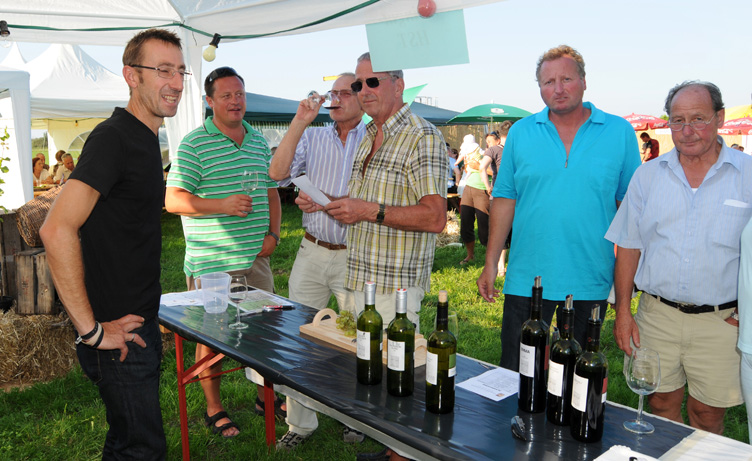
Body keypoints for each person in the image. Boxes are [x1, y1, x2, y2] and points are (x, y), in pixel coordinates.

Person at [39, 28, 186, 459]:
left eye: (181, 71)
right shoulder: (114, 138)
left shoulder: (145, 138)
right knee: (140, 450)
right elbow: (56, 229)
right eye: (163, 70)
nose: (176, 82)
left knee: (130, 445)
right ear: (131, 76)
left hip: (138, 323)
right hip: (117, 334)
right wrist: (92, 331)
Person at [309, 52, 446, 461]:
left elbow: (435, 217)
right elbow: (367, 204)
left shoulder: (422, 136)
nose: (362, 91)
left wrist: (368, 210)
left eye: (372, 82)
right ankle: (391, 447)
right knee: (370, 371)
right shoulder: (370, 135)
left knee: (397, 376)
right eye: (357, 84)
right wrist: (327, 202)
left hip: (394, 285)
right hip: (359, 279)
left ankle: (403, 454)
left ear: (399, 85)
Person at [476, 45, 641, 370]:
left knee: (577, 380)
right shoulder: (522, 132)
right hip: (526, 279)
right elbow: (505, 199)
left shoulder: (618, 132)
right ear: (540, 87)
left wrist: (625, 294)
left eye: (566, 79)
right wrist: (491, 262)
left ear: (584, 82)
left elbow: (630, 214)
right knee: (517, 373)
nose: (558, 88)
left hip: (590, 278)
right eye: (548, 81)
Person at [607, 81, 751, 434]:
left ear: (719, 117)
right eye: (677, 120)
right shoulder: (647, 176)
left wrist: (743, 312)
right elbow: (628, 246)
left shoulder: (747, 175)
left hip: (722, 321)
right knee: (659, 403)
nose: (687, 131)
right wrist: (623, 312)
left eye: (698, 119)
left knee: (708, 413)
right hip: (658, 316)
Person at [164, 66, 283, 438]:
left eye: (240, 94)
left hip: (255, 259)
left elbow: (272, 193)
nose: (235, 101)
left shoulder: (259, 141)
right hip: (213, 264)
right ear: (209, 101)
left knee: (264, 332)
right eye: (226, 95)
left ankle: (265, 397)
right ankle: (214, 408)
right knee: (212, 339)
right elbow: (173, 200)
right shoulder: (194, 144)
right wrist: (222, 205)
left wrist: (274, 235)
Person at [268, 72, 367, 450]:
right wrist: (299, 121)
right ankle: (300, 422)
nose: (335, 100)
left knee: (355, 338)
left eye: (345, 93)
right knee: (299, 334)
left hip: (355, 254)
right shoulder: (313, 135)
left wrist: (326, 199)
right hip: (311, 250)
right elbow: (277, 174)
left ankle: (354, 417)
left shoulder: (375, 138)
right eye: (332, 93)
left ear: (362, 97)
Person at [479, 125, 512, 277]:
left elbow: (482, 168)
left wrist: (488, 187)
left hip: (498, 196)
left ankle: (500, 267)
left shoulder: (493, 150)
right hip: (515, 196)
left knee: (500, 231)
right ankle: (504, 266)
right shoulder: (515, 149)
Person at [457, 134, 490, 266]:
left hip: (482, 190)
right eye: (487, 141)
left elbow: (496, 171)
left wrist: (479, 166)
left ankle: (491, 258)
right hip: (469, 187)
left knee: (484, 224)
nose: (487, 144)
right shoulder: (476, 152)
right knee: (465, 222)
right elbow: (467, 169)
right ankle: (470, 255)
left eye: (490, 141)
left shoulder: (494, 153)